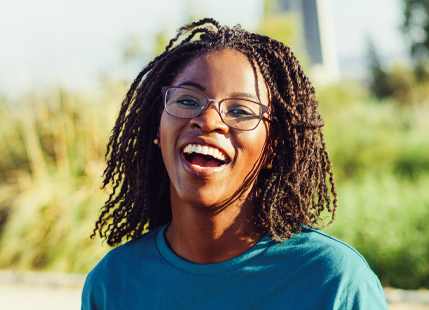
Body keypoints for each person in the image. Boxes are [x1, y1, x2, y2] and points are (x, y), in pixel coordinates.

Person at [81, 18, 388, 309]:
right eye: (187, 100)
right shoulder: (113, 283)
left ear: (272, 149)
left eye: (241, 111)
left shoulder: (332, 282)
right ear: (157, 130)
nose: (208, 120)